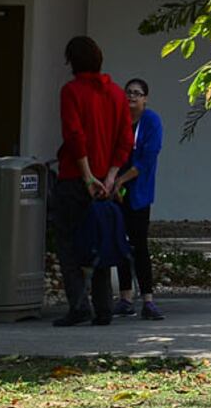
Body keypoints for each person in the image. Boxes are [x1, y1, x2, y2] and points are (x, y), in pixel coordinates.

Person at [51, 36, 132, 328]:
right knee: (101, 242)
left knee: (68, 243)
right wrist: (110, 176)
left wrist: (87, 177)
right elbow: (125, 139)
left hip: (76, 178)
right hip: (105, 183)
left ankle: (78, 305)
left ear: (72, 61)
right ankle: (103, 308)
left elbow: (74, 135)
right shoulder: (117, 94)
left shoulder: (71, 91)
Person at [113, 78, 165, 321]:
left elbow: (147, 158)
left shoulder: (151, 122)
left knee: (139, 244)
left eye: (137, 93)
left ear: (145, 98)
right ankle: (125, 297)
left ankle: (148, 299)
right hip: (115, 189)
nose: (132, 97)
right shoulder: (118, 120)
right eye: (129, 92)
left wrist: (122, 179)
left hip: (138, 190)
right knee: (119, 243)